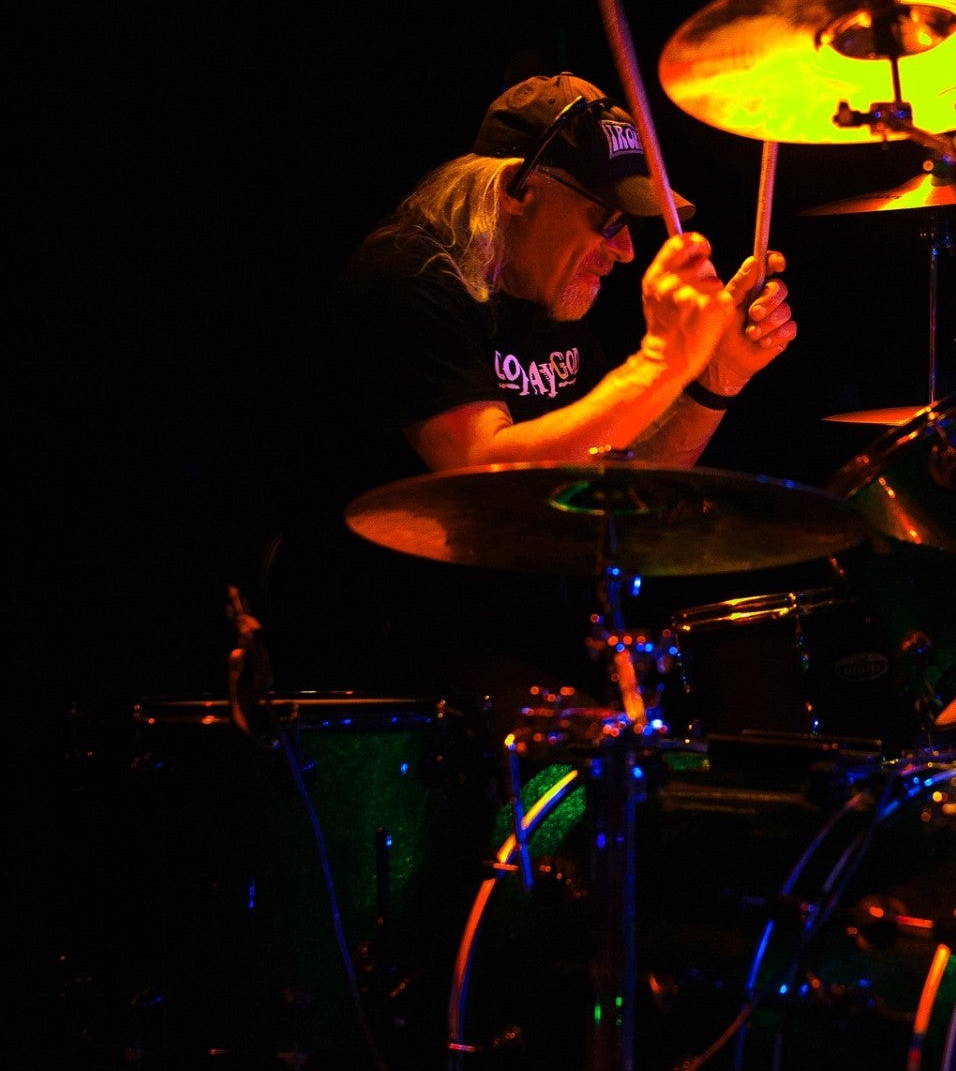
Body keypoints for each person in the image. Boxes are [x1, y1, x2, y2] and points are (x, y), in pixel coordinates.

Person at [267, 72, 797, 704]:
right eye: (607, 221)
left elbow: (610, 486)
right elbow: (480, 479)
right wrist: (658, 362)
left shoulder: (549, 306)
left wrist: (716, 378)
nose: (626, 252)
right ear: (520, 191)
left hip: (518, 638)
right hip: (386, 657)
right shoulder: (407, 277)